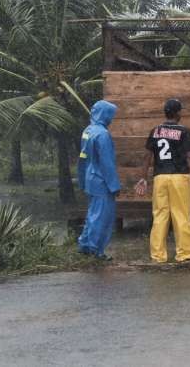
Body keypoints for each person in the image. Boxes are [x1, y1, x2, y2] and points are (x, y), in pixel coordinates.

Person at [134, 99, 190, 263]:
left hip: (160, 177)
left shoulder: (155, 131)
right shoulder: (184, 131)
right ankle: (185, 254)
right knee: (181, 214)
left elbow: (147, 156)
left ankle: (158, 255)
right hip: (179, 177)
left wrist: (143, 177)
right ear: (177, 113)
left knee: (160, 215)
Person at [77, 100, 121, 260]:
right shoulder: (103, 135)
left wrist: (82, 179)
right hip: (102, 181)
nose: (111, 119)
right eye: (110, 115)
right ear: (104, 114)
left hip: (90, 178)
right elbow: (106, 163)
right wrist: (114, 185)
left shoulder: (88, 130)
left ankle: (85, 245)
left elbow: (82, 157)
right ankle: (95, 250)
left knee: (92, 214)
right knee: (101, 217)